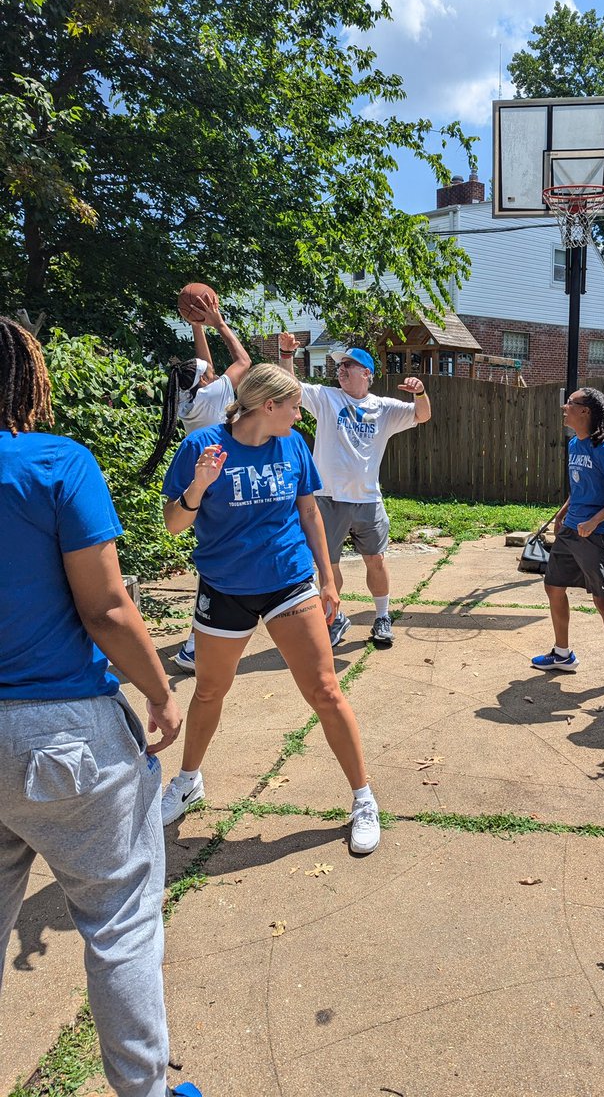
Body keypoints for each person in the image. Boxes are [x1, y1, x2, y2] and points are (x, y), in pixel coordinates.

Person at [0, 317, 202, 1097]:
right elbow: (107, 608)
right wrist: (159, 691)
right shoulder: (56, 465)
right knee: (120, 922)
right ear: (28, 380)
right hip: (62, 734)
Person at [157, 363, 381, 854]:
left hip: (288, 582)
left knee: (325, 690)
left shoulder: (293, 446)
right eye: (295, 406)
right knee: (210, 690)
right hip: (226, 586)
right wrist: (199, 485)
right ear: (268, 405)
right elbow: (174, 524)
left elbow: (308, 512)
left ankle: (363, 798)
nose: (300, 416)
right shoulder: (203, 446)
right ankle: (189, 781)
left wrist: (327, 578)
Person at [279, 335, 430, 648]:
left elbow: (422, 415)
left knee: (376, 561)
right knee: (329, 566)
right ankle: (334, 619)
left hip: (367, 500)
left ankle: (382, 617)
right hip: (328, 498)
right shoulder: (326, 397)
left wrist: (421, 392)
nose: (342, 369)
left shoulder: (384, 408)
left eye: (349, 365)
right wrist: (286, 354)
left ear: (367, 374)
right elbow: (290, 386)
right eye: (340, 365)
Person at [138, 290, 251, 673]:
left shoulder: (192, 398)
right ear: (204, 379)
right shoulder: (213, 395)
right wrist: (218, 323)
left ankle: (206, 636)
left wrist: (196, 327)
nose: (212, 371)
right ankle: (194, 644)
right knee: (221, 561)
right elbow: (243, 361)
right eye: (207, 370)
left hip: (204, 481)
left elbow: (210, 367)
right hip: (217, 479)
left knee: (218, 555)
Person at [531, 387, 604, 695]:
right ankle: (562, 654)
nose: (564, 407)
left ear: (585, 412)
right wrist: (561, 514)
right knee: (553, 585)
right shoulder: (575, 444)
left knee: (602, 601)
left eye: (571, 403)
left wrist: (595, 520)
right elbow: (578, 488)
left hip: (598, 535)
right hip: (571, 530)